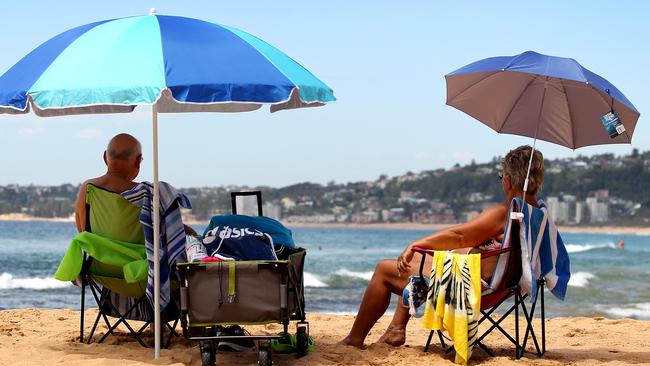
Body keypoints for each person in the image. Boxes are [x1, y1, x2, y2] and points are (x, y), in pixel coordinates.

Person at [340, 145, 545, 348]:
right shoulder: (539, 213)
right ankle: (396, 328)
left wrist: (416, 244)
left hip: (478, 288)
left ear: (508, 180)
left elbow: (459, 235)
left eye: (502, 178)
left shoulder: (505, 212)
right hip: (508, 286)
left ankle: (355, 338)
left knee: (385, 269)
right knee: (420, 262)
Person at [74, 133, 197, 236]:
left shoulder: (88, 188)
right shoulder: (147, 194)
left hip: (94, 264)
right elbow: (173, 230)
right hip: (137, 264)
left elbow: (83, 233)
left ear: (105, 157)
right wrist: (197, 236)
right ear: (138, 161)